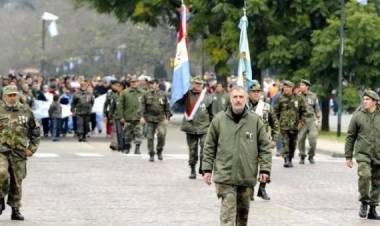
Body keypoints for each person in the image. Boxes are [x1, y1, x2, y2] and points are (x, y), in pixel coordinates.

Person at [202, 86, 272, 226]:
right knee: (227, 217)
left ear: (246, 99)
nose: (238, 100)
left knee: (242, 217)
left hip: (246, 176)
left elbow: (265, 147)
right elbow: (209, 146)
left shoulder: (255, 121)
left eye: (241, 97)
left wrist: (265, 169)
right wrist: (207, 169)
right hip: (225, 176)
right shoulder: (219, 120)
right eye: (235, 97)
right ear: (230, 98)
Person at [0, 85, 41, 220]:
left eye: (14, 95)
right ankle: (0, 198)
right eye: (9, 95)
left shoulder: (25, 110)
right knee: (1, 173)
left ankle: (15, 209)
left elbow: (35, 130)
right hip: (2, 151)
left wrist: (32, 149)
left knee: (17, 181)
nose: (12, 98)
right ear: (4, 96)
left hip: (19, 152)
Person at [345, 90, 380, 220]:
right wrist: (348, 156)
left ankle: (373, 209)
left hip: (378, 154)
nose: (364, 101)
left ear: (375, 102)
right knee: (365, 176)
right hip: (363, 154)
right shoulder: (357, 115)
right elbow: (350, 137)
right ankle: (364, 202)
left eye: (367, 99)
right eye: (364, 99)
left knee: (377, 182)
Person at [247, 83, 279, 201]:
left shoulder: (266, 107)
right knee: (249, 167)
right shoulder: (244, 107)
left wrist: (275, 139)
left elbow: (275, 124)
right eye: (253, 92)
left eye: (258, 91)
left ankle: (262, 188)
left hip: (263, 142)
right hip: (248, 142)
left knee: (266, 165)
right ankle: (249, 190)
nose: (256, 93)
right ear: (249, 94)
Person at [180, 76, 212, 179]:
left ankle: (203, 167)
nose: (198, 86)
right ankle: (192, 168)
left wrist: (213, 126)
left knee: (205, 148)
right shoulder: (186, 95)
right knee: (192, 150)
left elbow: (212, 113)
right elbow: (178, 103)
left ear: (203, 85)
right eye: (196, 84)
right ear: (193, 84)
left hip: (204, 127)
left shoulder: (207, 97)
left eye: (200, 84)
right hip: (190, 127)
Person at [274, 80, 306, 168]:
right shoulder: (280, 98)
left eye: (288, 87)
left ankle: (290, 158)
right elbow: (275, 112)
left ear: (292, 88)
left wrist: (302, 122)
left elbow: (304, 111)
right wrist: (276, 123)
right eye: (284, 87)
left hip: (295, 126)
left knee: (293, 143)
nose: (286, 89)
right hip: (283, 126)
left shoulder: (298, 98)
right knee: (285, 142)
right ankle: (286, 159)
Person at [140, 79, 172, 162]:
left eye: (153, 84)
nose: (151, 85)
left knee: (161, 134)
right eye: (150, 84)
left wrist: (167, 118)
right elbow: (142, 106)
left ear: (157, 84)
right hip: (150, 119)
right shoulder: (146, 94)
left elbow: (167, 107)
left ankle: (159, 150)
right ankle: (151, 154)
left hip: (160, 119)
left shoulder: (163, 94)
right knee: (150, 137)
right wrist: (142, 117)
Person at [119, 75, 145, 154]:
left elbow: (146, 106)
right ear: (130, 83)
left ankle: (137, 148)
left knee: (139, 133)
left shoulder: (143, 93)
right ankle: (127, 147)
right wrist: (122, 116)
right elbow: (121, 105)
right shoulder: (125, 92)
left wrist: (144, 117)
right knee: (127, 133)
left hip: (138, 117)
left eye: (135, 82)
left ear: (138, 83)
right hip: (128, 117)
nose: (134, 83)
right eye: (132, 82)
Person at [297, 79, 321, 164]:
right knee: (300, 139)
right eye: (300, 85)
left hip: (311, 119)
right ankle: (302, 156)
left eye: (302, 85)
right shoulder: (297, 96)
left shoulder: (313, 96)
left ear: (307, 87)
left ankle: (311, 156)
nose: (300, 87)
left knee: (313, 139)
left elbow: (317, 109)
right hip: (302, 120)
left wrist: (318, 120)